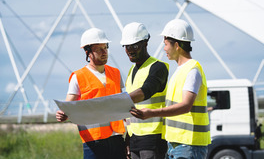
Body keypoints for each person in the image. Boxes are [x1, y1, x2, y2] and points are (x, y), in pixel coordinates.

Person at [130, 19, 211, 159]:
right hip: (176, 144)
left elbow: (186, 106)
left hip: (188, 145)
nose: (164, 48)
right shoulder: (180, 71)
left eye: (166, 44)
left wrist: (152, 113)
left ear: (177, 45)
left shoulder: (192, 70)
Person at [56, 28, 126, 159]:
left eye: (105, 47)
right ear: (87, 52)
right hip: (93, 141)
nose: (104, 52)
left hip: (117, 138)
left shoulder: (115, 73)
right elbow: (67, 107)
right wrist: (63, 114)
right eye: (99, 49)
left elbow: (122, 103)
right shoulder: (78, 76)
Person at [120, 22, 169, 159]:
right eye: (126, 46)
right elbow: (131, 108)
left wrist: (117, 103)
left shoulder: (158, 67)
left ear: (145, 43)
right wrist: (128, 139)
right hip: (134, 138)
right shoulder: (131, 71)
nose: (130, 50)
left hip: (153, 137)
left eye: (134, 46)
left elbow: (146, 90)